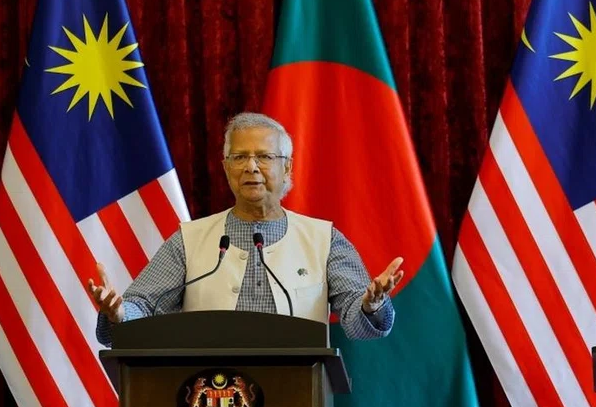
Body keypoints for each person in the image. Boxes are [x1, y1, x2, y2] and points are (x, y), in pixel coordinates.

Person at [89, 112, 404, 344]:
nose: (251, 167)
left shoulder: (324, 240)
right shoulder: (190, 240)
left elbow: (357, 322)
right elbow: (143, 306)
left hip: (297, 393)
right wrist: (120, 314)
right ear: (226, 167)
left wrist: (371, 305)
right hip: (211, 396)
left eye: (264, 157)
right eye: (239, 157)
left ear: (287, 167)